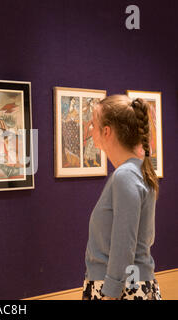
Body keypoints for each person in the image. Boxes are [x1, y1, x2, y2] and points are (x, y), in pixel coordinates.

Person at [82, 95, 162, 300]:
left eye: (93, 123)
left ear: (106, 131)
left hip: (121, 289)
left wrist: (111, 293)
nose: (90, 129)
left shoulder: (125, 175)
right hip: (131, 284)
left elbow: (124, 243)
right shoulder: (138, 170)